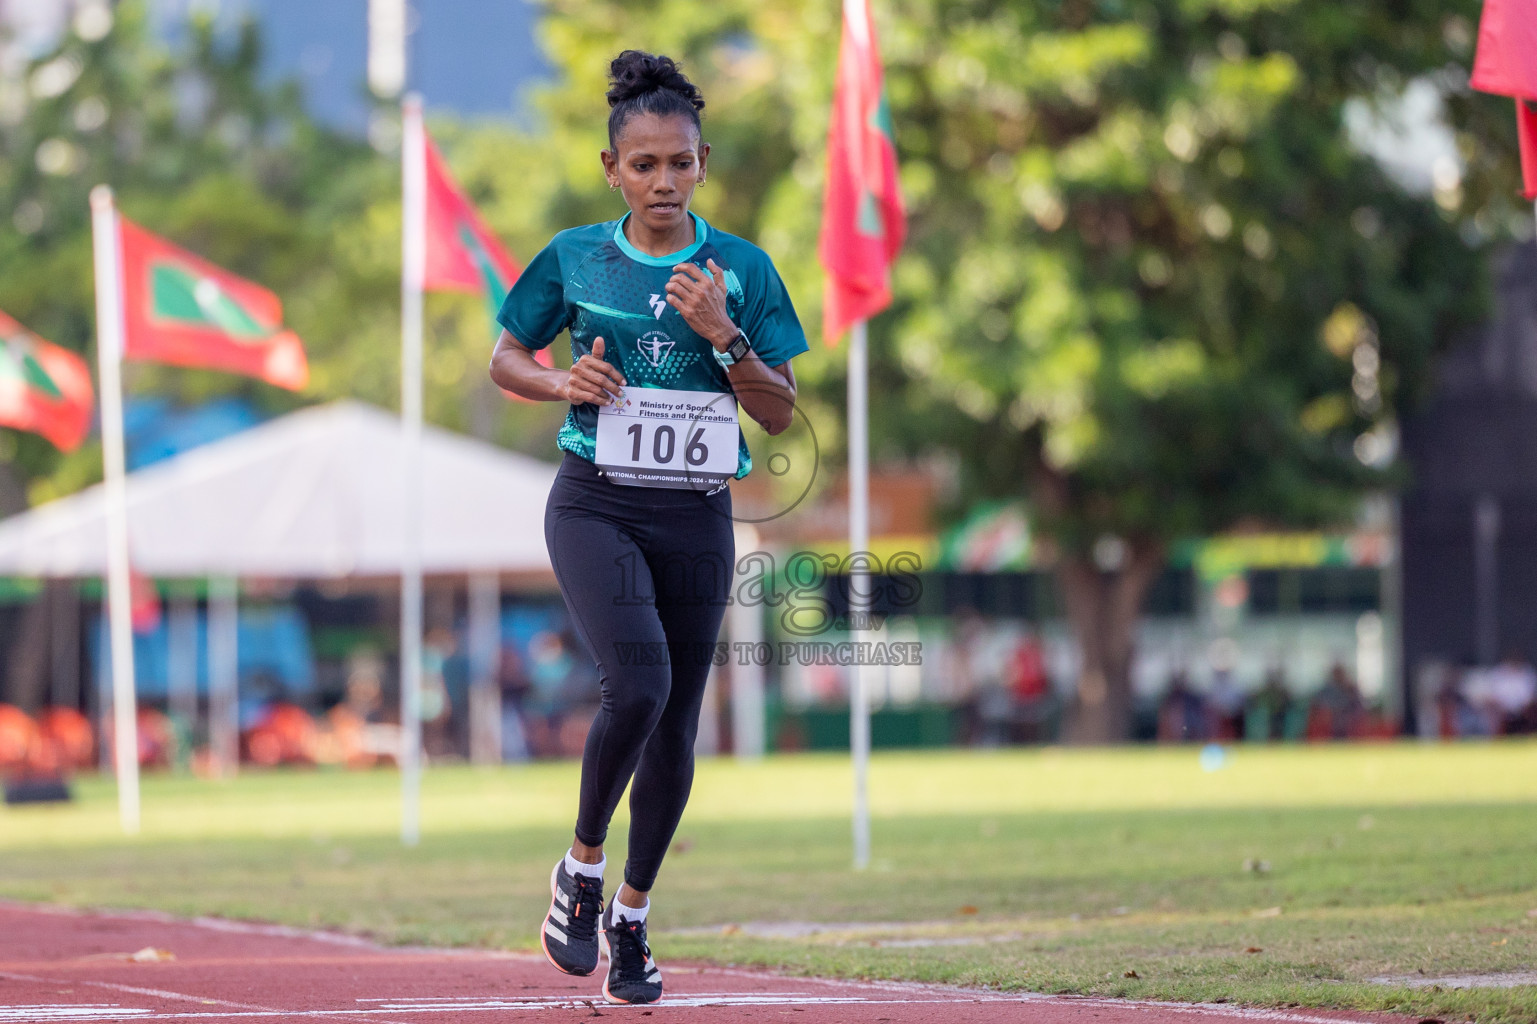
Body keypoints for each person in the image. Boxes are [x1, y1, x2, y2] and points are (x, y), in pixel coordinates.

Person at [487, 50, 807, 1006]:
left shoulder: (741, 270)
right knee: (639, 680)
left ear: (703, 162)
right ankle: (580, 871)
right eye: (643, 166)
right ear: (610, 169)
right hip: (596, 499)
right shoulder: (576, 257)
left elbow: (781, 412)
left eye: (679, 163)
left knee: (674, 724)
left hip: (696, 512)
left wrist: (725, 335)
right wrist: (558, 379)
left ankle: (630, 915)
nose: (662, 181)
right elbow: (508, 355)